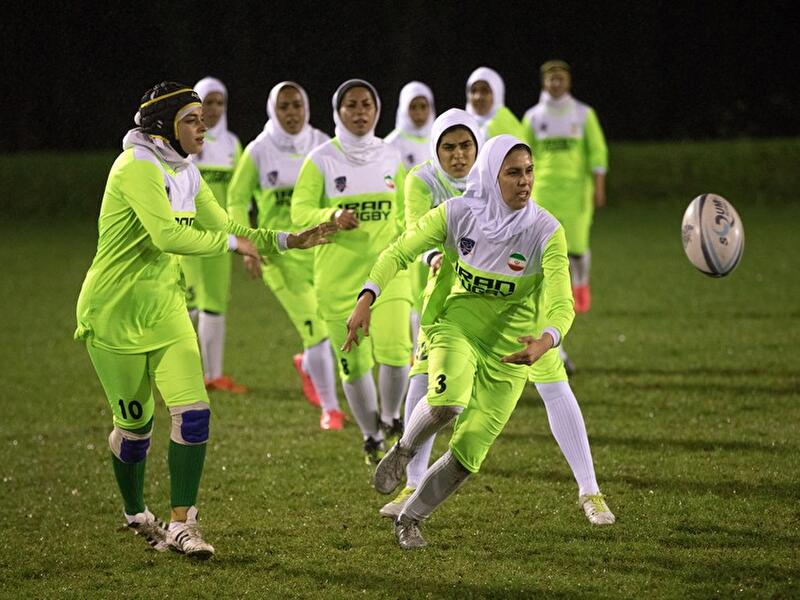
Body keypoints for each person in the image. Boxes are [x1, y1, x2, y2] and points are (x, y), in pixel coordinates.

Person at [74, 82, 334, 558]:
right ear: (163, 126)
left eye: (203, 117)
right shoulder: (135, 166)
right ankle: (135, 512)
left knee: (192, 415)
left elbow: (228, 227)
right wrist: (235, 247)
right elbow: (167, 235)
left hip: (167, 309)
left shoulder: (186, 171)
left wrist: (286, 240)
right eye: (191, 119)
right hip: (113, 313)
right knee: (135, 430)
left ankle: (182, 523)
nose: (203, 126)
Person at [345, 135, 614, 550]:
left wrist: (548, 338)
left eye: (529, 171)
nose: (524, 181)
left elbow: (562, 301)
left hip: (511, 353)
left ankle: (411, 519)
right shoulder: (457, 214)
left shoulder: (545, 230)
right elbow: (398, 251)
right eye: (513, 173)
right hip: (457, 328)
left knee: (469, 454)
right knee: (448, 401)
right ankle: (405, 448)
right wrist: (367, 297)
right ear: (491, 176)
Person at [291, 79, 411, 464]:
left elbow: (408, 215)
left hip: (388, 275)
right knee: (356, 364)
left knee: (395, 354)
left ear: (377, 111)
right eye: (351, 106)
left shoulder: (393, 157)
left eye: (367, 105)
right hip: (339, 281)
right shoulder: (321, 160)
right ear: (337, 112)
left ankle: (392, 417)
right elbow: (299, 214)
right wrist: (330, 216)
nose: (360, 112)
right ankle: (371, 435)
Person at [378, 107, 482, 518]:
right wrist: (434, 255)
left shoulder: (492, 177)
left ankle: (588, 489)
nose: (458, 155)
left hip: (495, 303)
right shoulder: (421, 179)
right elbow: (415, 229)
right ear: (435, 148)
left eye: (465, 146)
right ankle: (413, 483)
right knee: (424, 382)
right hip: (442, 299)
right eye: (449, 147)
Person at [228, 81, 346, 430]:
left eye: (297, 105)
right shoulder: (259, 150)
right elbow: (236, 198)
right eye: (284, 106)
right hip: (278, 257)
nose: (292, 113)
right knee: (317, 332)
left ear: (307, 108)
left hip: (322, 254)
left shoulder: (322, 143)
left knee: (334, 329)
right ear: (272, 110)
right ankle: (332, 409)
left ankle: (309, 366)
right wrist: (247, 241)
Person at [522, 60, 608, 373]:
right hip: (544, 194)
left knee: (578, 249)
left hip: (576, 193)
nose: (556, 83)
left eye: (560, 78)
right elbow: (522, 152)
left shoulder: (583, 114)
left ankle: (581, 284)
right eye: (551, 78)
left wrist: (599, 185)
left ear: (568, 82)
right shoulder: (533, 116)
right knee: (550, 258)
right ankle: (559, 316)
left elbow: (597, 152)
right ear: (544, 82)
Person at [180, 77, 246, 393]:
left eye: (220, 102)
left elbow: (238, 194)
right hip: (188, 235)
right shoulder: (183, 141)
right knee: (185, 305)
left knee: (216, 302)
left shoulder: (233, 144)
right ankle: (176, 372)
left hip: (222, 238)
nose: (215, 109)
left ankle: (214, 375)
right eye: (209, 102)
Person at [384, 81, 435, 170]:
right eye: (413, 107)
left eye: (423, 106)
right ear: (404, 109)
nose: (419, 112)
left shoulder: (439, 139)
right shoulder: (390, 144)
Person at [466, 66, 524, 141]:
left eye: (485, 90)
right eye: (473, 91)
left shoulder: (507, 123)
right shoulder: (463, 124)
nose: (478, 97)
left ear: (497, 93)